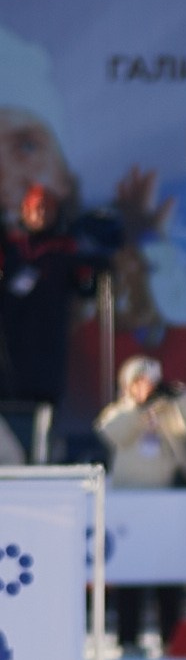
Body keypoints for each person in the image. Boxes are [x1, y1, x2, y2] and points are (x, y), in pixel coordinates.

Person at [96, 354, 186, 654]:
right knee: (132, 571)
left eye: (151, 383)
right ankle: (128, 637)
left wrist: (179, 398)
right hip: (131, 505)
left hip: (167, 502)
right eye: (139, 382)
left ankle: (172, 636)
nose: (147, 388)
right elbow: (111, 433)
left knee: (168, 571)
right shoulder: (119, 412)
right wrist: (139, 406)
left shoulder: (168, 411)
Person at [0, 180, 109, 456]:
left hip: (48, 344)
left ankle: (42, 456)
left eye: (46, 210)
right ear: (24, 211)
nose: (39, 215)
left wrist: (93, 273)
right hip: (8, 343)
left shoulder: (66, 249)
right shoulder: (10, 246)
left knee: (44, 404)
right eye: (34, 209)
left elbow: (86, 287)